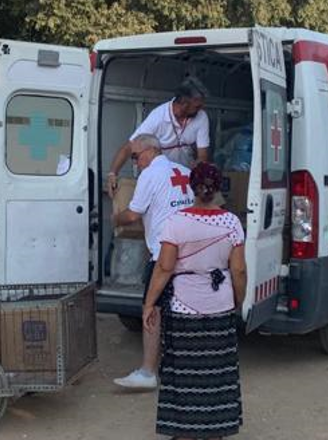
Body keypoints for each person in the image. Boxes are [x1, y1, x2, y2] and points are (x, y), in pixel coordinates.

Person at [144, 162, 247, 439]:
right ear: (217, 189)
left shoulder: (176, 222)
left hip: (183, 308)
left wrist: (149, 303)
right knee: (217, 372)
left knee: (184, 372)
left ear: (192, 187)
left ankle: (184, 430)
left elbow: (164, 268)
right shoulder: (231, 222)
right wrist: (238, 299)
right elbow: (238, 270)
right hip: (220, 305)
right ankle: (216, 429)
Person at [112, 134, 195, 390]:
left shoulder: (149, 175)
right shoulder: (183, 171)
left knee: (152, 311)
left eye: (135, 157)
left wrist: (115, 217)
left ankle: (148, 372)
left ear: (149, 151)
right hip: (190, 254)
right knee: (185, 312)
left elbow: (133, 213)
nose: (135, 163)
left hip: (163, 256)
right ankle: (186, 368)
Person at [106, 77, 211, 196]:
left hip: (185, 177)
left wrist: (196, 175)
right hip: (160, 178)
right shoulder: (158, 116)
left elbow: (203, 156)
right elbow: (129, 147)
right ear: (184, 104)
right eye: (197, 106)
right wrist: (112, 174)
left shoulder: (202, 117)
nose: (200, 109)